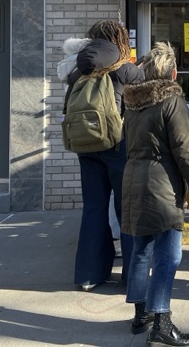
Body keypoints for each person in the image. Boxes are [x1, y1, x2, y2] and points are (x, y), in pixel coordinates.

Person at [122, 42, 189, 345]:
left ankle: (140, 312)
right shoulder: (172, 101)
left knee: (141, 249)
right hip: (162, 184)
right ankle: (162, 320)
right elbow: (184, 147)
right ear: (172, 71)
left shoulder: (132, 103)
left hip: (133, 181)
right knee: (169, 254)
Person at [66, 20, 144, 291]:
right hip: (120, 146)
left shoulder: (78, 71)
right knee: (128, 211)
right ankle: (133, 277)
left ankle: (89, 275)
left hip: (86, 147)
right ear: (119, 40)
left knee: (94, 209)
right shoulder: (126, 70)